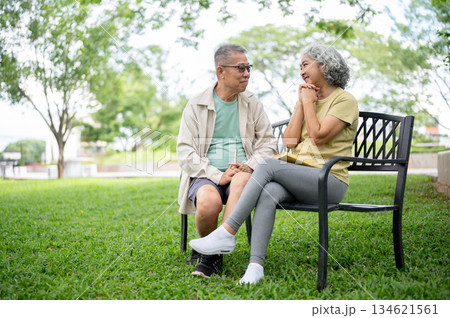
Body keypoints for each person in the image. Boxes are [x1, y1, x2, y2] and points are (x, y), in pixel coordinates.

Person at [189, 44, 359, 284]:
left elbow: (319, 136)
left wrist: (308, 103)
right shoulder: (308, 98)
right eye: (300, 66)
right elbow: (290, 142)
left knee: (267, 165)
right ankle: (255, 267)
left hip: (329, 181)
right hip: (301, 175)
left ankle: (227, 232)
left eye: (305, 65)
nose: (301, 72)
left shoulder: (345, 100)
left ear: (324, 65)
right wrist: (301, 104)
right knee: (269, 192)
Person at [177, 43, 277, 278]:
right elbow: (184, 151)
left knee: (242, 179)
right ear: (221, 71)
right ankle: (213, 251)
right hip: (206, 174)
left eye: (248, 68)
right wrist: (217, 175)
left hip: (242, 173)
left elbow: (268, 142)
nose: (247, 74)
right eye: (240, 68)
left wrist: (250, 164)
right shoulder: (197, 103)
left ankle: (210, 257)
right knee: (208, 203)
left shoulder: (252, 102)